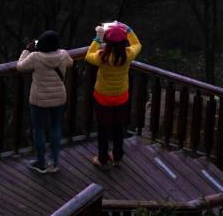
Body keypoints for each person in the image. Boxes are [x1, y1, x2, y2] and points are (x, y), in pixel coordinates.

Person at [85, 21, 141, 168]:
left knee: (103, 129)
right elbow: (137, 44)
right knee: (118, 127)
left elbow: (88, 55)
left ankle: (103, 159)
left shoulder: (102, 56)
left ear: (107, 41)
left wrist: (98, 38)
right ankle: (117, 156)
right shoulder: (128, 55)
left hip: (103, 97)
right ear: (124, 41)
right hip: (121, 96)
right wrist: (127, 28)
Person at [17, 30, 73, 174]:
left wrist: (27, 49)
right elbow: (70, 63)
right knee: (55, 127)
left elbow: (20, 66)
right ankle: (54, 163)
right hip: (59, 97)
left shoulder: (35, 57)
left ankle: (41, 164)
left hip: (39, 99)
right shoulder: (63, 54)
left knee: (39, 130)